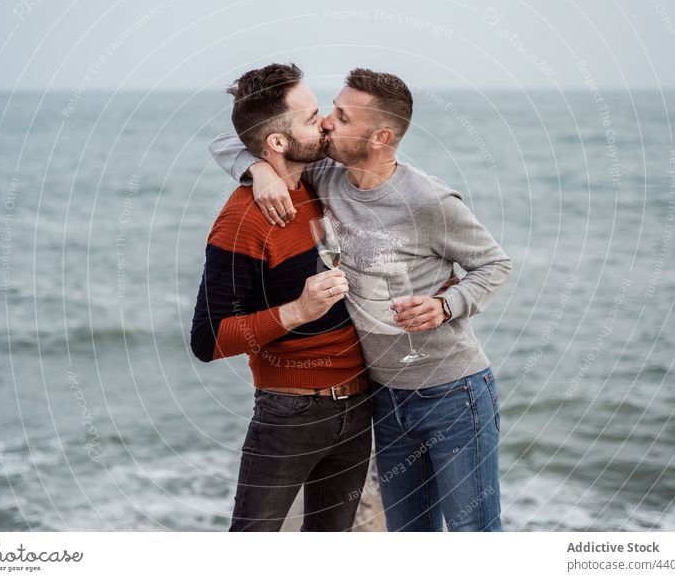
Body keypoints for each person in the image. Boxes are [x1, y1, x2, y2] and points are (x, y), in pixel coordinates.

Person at [209, 68, 513, 531]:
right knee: (411, 534)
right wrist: (259, 173)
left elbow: (495, 264)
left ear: (379, 136)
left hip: (453, 391)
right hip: (384, 397)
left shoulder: (429, 201)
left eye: (342, 116)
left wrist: (447, 305)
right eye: (328, 109)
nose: (327, 122)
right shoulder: (327, 175)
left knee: (474, 532)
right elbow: (241, 140)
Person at [190, 63, 372, 532]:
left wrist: (259, 167)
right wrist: (298, 311)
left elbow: (237, 140)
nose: (326, 124)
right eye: (312, 118)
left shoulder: (317, 180)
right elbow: (207, 340)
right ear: (278, 142)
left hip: (357, 405)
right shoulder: (242, 222)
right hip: (289, 412)